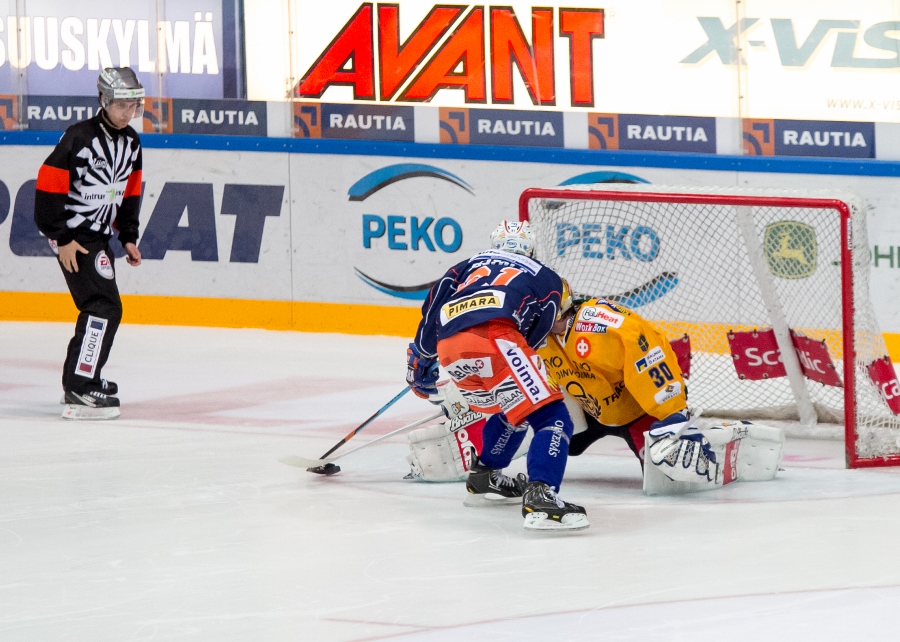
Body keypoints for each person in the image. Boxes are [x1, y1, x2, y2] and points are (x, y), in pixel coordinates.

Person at [406, 220, 588, 531]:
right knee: (552, 415)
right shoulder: (546, 276)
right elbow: (538, 334)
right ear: (531, 248)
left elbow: (433, 311)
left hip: (450, 348)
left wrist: (422, 358)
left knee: (514, 407)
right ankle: (542, 496)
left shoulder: (464, 266)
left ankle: (484, 475)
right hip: (499, 340)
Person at [34, 67, 145, 420]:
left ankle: (85, 377)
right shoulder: (78, 137)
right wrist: (60, 237)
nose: (128, 114)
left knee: (103, 306)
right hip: (75, 238)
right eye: (122, 106)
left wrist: (127, 235)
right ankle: (80, 387)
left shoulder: (131, 143)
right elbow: (47, 187)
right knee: (102, 305)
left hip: (99, 237)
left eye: (134, 106)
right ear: (104, 101)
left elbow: (130, 192)